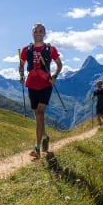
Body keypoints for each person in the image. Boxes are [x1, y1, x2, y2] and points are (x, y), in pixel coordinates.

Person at [19, 23, 62, 158]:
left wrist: (54, 77)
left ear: (44, 33)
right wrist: (21, 75)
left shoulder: (50, 49)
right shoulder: (26, 50)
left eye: (40, 31)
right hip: (31, 84)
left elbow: (59, 65)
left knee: (40, 113)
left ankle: (37, 148)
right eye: (35, 31)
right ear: (32, 33)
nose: (38, 33)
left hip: (46, 84)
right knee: (37, 116)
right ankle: (44, 136)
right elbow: (21, 65)